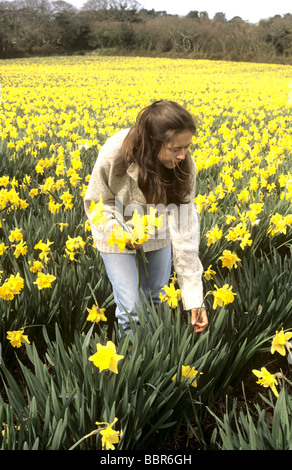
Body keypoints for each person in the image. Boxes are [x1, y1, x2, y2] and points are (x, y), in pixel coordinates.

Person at [84, 100, 208, 334]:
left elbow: (185, 232)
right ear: (153, 141)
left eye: (187, 147)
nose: (183, 155)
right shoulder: (115, 152)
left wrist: (193, 299)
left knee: (155, 299)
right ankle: (134, 363)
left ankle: (154, 354)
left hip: (156, 229)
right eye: (175, 149)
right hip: (114, 230)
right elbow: (97, 203)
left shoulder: (184, 166)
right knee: (131, 308)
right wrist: (120, 234)